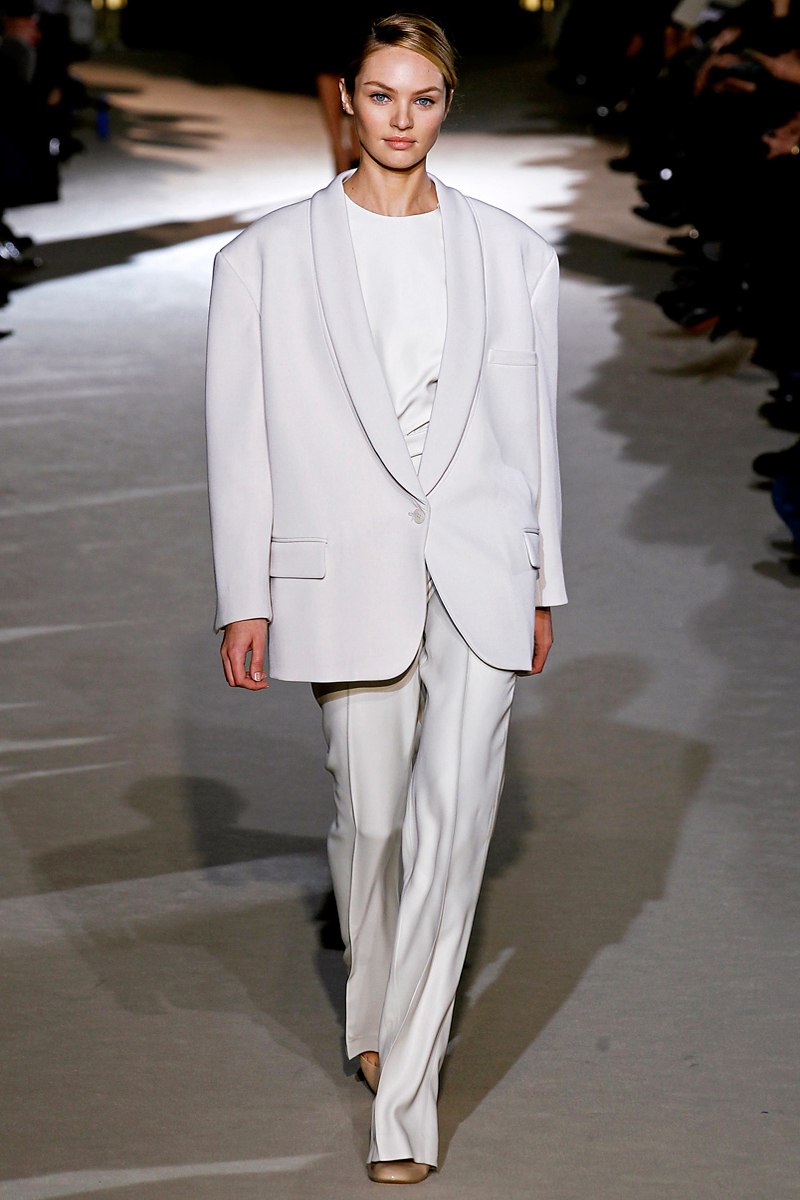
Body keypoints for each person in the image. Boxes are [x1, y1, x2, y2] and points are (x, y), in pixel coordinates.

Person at [204, 11, 567, 1185]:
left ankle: (404, 1098)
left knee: (456, 832)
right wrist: (244, 594)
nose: (400, 118)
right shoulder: (262, 260)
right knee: (370, 825)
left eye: (423, 97)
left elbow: (531, 433)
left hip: (479, 570)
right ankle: (372, 1010)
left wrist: (543, 578)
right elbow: (238, 443)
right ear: (346, 102)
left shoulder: (513, 254)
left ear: (445, 105)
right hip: (343, 575)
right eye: (380, 95)